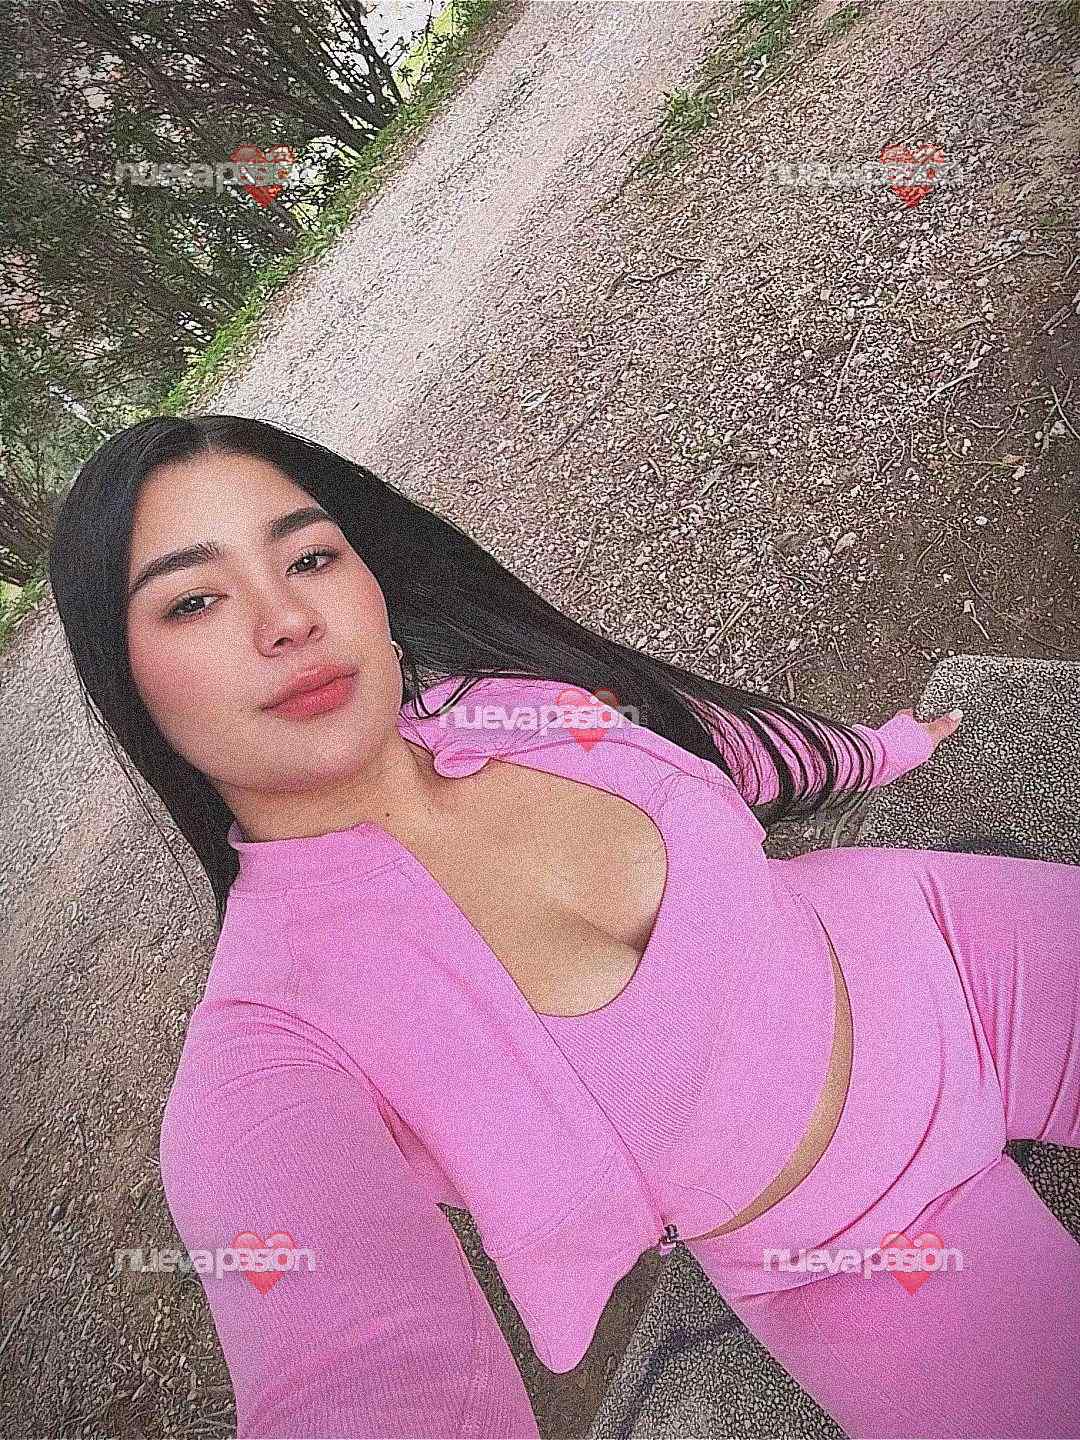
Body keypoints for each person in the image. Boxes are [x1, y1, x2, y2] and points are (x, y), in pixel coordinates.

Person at [47, 413, 1079, 1439]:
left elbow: (705, 744)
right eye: (193, 601)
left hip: (951, 945)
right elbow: (364, 1379)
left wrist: (878, 750)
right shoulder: (272, 1044)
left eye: (311, 557)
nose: (286, 619)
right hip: (861, 1249)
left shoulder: (497, 705)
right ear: (130, 684)